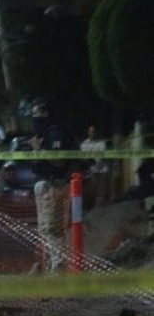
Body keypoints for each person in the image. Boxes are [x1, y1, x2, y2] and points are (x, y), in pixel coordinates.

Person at [30, 98, 75, 273]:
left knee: (52, 228)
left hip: (53, 184)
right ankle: (50, 266)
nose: (34, 118)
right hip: (44, 183)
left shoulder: (55, 133)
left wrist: (38, 149)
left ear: (46, 113)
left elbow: (59, 160)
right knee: (44, 229)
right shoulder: (43, 134)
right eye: (33, 114)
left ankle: (58, 268)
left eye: (37, 113)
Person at [80, 125, 109, 207]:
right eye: (90, 131)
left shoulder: (102, 143)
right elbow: (83, 157)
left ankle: (102, 206)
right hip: (90, 170)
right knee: (92, 190)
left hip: (102, 169)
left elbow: (102, 156)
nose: (92, 133)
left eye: (94, 131)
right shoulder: (84, 144)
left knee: (101, 190)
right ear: (88, 132)